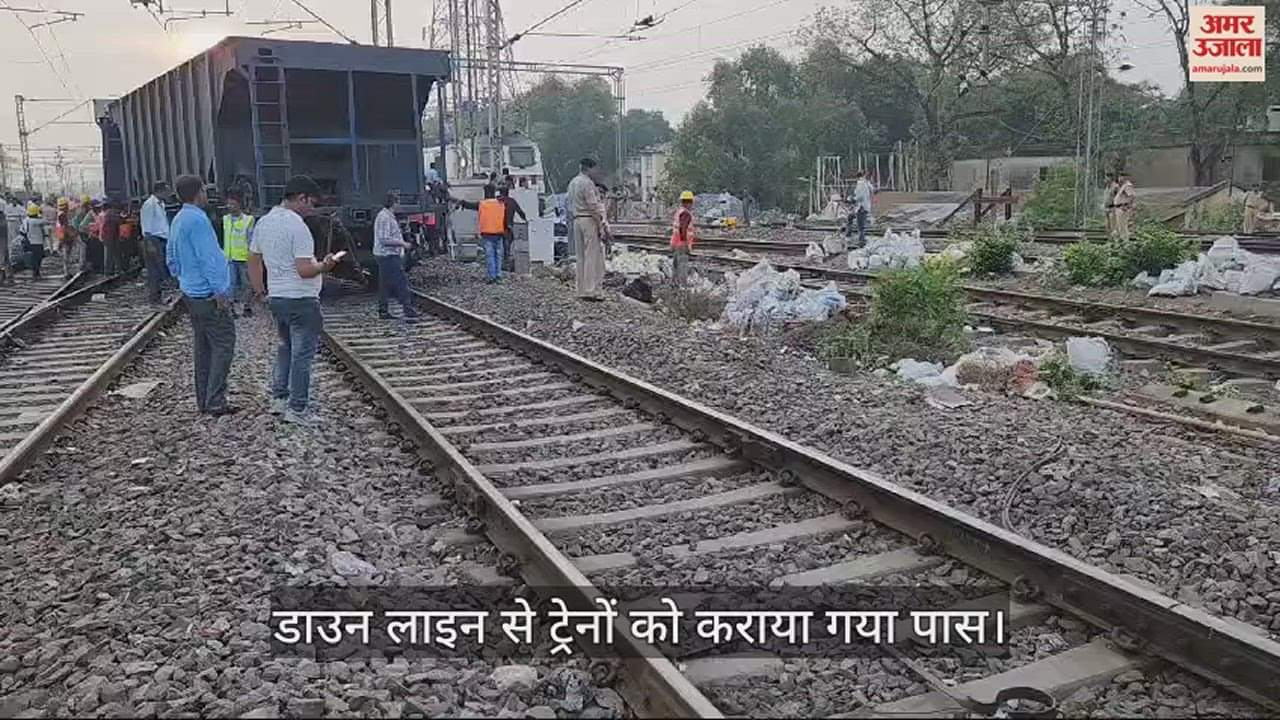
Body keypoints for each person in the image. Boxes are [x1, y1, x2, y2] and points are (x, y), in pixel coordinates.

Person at [248, 175, 342, 426]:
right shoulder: (298, 227)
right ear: (300, 198)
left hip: (277, 297)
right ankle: (297, 409)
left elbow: (253, 260)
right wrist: (326, 265)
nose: (312, 209)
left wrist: (260, 291)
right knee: (302, 355)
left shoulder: (264, 223)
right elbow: (304, 270)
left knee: (285, 348)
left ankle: (279, 400)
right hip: (301, 299)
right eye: (311, 203)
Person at [166, 175, 238, 417]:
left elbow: (171, 257)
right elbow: (209, 258)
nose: (207, 195)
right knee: (223, 343)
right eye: (205, 191)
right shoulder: (198, 220)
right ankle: (216, 400)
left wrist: (182, 278)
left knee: (204, 348)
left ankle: (204, 400)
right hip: (207, 294)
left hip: (191, 292)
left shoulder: (178, 219)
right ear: (198, 193)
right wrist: (219, 290)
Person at [567, 157, 609, 300]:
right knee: (592, 255)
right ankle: (590, 290)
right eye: (595, 168)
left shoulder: (572, 183)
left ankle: (580, 289)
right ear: (589, 168)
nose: (596, 171)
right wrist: (600, 225)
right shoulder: (587, 183)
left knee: (580, 257)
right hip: (588, 219)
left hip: (576, 219)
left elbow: (569, 204)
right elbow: (593, 206)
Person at [373, 191, 419, 319]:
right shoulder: (385, 217)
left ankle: (383, 310)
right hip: (388, 255)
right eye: (398, 202)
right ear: (393, 203)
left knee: (385, 284)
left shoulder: (386, 216)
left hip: (386, 255)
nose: (400, 205)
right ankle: (408, 309)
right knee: (401, 282)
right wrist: (403, 244)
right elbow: (384, 239)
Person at [222, 190, 256, 317]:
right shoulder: (225, 219)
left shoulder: (249, 220)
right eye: (228, 204)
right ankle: (231, 308)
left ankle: (247, 307)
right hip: (229, 257)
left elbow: (251, 238)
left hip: (244, 257)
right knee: (231, 284)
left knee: (247, 284)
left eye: (232, 204)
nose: (230, 207)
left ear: (239, 205)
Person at [142, 181, 172, 303]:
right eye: (167, 190)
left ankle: (157, 296)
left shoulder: (160, 204)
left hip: (160, 240)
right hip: (153, 240)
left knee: (160, 269)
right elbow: (146, 227)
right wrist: (150, 244)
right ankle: (154, 298)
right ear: (161, 191)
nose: (169, 193)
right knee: (154, 270)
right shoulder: (150, 205)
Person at [497, 185, 527, 273]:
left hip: (497, 227)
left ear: (500, 192)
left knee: (498, 247)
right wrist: (526, 220)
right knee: (507, 248)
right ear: (508, 192)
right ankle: (506, 265)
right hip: (508, 228)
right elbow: (520, 212)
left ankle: (498, 265)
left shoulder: (496, 201)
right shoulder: (512, 201)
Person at [671, 190, 696, 287]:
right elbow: (683, 228)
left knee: (676, 266)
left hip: (675, 243)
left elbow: (677, 229)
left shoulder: (679, 212)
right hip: (682, 244)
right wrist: (685, 243)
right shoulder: (686, 214)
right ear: (689, 202)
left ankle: (674, 285)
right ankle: (682, 286)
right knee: (682, 266)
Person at [19, 204, 48, 278]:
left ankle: (35, 272)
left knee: (33, 258)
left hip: (29, 242)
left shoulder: (25, 220)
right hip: (38, 242)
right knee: (38, 258)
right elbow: (46, 221)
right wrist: (41, 214)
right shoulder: (38, 221)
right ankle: (36, 272)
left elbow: (22, 231)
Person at [847, 171, 873, 248]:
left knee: (860, 226)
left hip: (861, 207)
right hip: (864, 206)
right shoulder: (866, 183)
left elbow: (859, 196)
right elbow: (873, 190)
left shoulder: (860, 184)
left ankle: (861, 241)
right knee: (850, 217)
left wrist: (852, 199)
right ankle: (849, 234)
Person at [1111, 173, 1136, 241]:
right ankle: (1120, 241)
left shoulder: (1128, 186)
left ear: (1125, 177)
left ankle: (1125, 242)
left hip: (1122, 208)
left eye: (1121, 176)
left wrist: (1126, 206)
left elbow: (1131, 196)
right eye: (1119, 176)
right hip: (1118, 207)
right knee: (1119, 227)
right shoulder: (1122, 186)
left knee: (1123, 227)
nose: (1119, 178)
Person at [101, 200, 122, 275]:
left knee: (108, 254)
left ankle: (109, 271)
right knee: (115, 253)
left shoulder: (105, 214)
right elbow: (119, 222)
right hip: (112, 236)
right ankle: (117, 269)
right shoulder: (112, 213)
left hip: (107, 236)